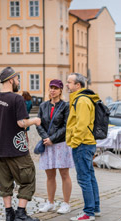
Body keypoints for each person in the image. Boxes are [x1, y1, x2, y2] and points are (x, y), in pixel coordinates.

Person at [0, 66, 41, 221]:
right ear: (11, 80)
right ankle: (21, 214)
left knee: (6, 182)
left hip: (0, 149)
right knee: (28, 179)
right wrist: (35, 120)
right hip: (17, 149)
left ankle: (9, 213)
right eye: (17, 79)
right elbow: (21, 122)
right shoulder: (17, 99)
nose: (18, 82)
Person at [66, 72, 100, 221]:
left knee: (84, 178)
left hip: (82, 144)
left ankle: (88, 212)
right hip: (86, 143)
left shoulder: (82, 101)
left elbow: (82, 124)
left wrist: (75, 141)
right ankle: (95, 208)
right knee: (90, 176)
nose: (67, 85)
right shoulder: (81, 99)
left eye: (69, 82)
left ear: (77, 85)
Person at [37, 80, 74, 214]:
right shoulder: (43, 106)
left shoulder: (65, 106)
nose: (52, 90)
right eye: (51, 88)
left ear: (60, 90)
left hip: (61, 144)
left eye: (55, 88)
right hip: (47, 144)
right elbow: (39, 123)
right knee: (49, 174)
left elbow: (66, 126)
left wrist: (53, 139)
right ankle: (50, 202)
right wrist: (46, 138)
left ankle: (66, 203)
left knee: (64, 173)